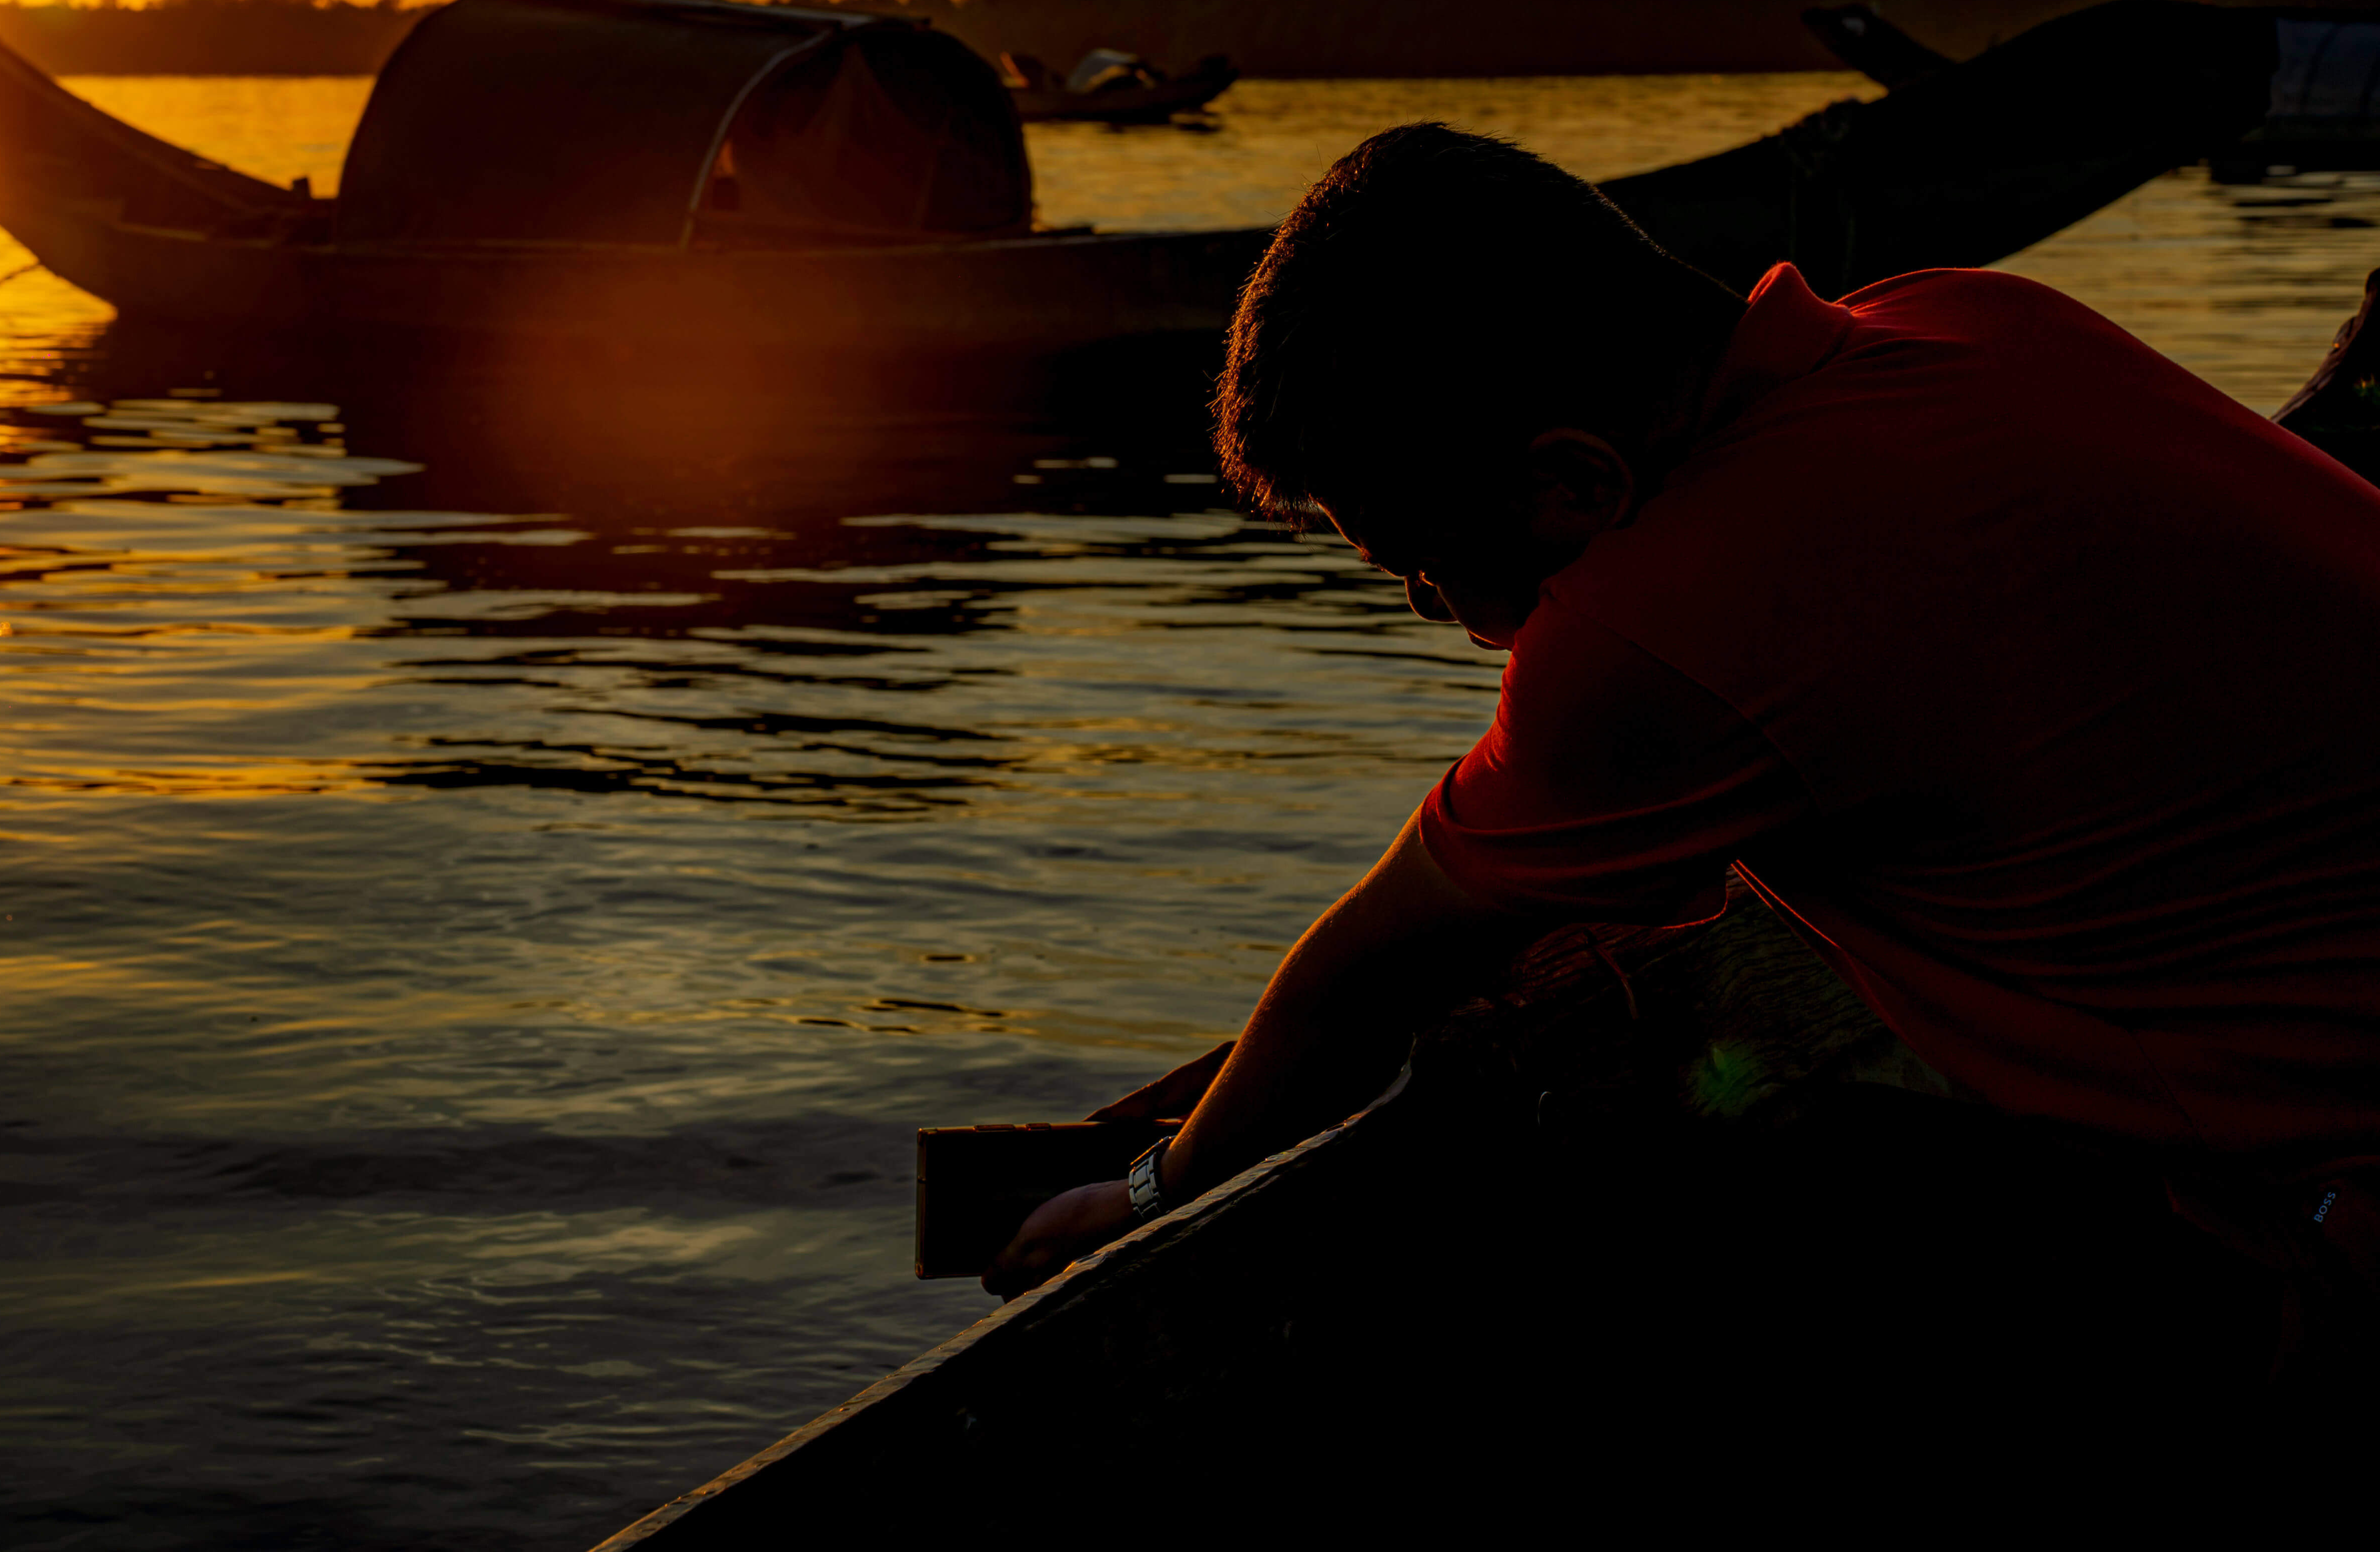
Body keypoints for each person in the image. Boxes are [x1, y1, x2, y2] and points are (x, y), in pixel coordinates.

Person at [984, 123, 2380, 1363]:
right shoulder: (1970, 316)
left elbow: (1372, 973)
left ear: (1573, 479)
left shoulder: (1675, 621)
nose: (1462, 627)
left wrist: (1150, 1192)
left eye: (1429, 565)